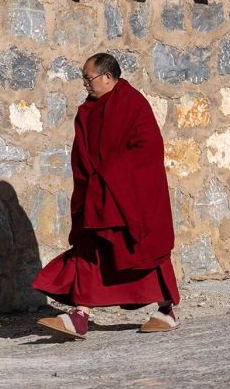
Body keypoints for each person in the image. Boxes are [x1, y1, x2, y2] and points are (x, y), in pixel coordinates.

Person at [33, 53, 180, 339]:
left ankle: (166, 310)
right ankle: (80, 315)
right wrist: (92, 180)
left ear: (108, 77)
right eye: (84, 79)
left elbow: (148, 148)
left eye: (89, 78)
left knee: (144, 249)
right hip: (98, 193)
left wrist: (112, 173)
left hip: (130, 194)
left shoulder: (133, 104)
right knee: (91, 248)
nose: (85, 84)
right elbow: (82, 153)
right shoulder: (88, 110)